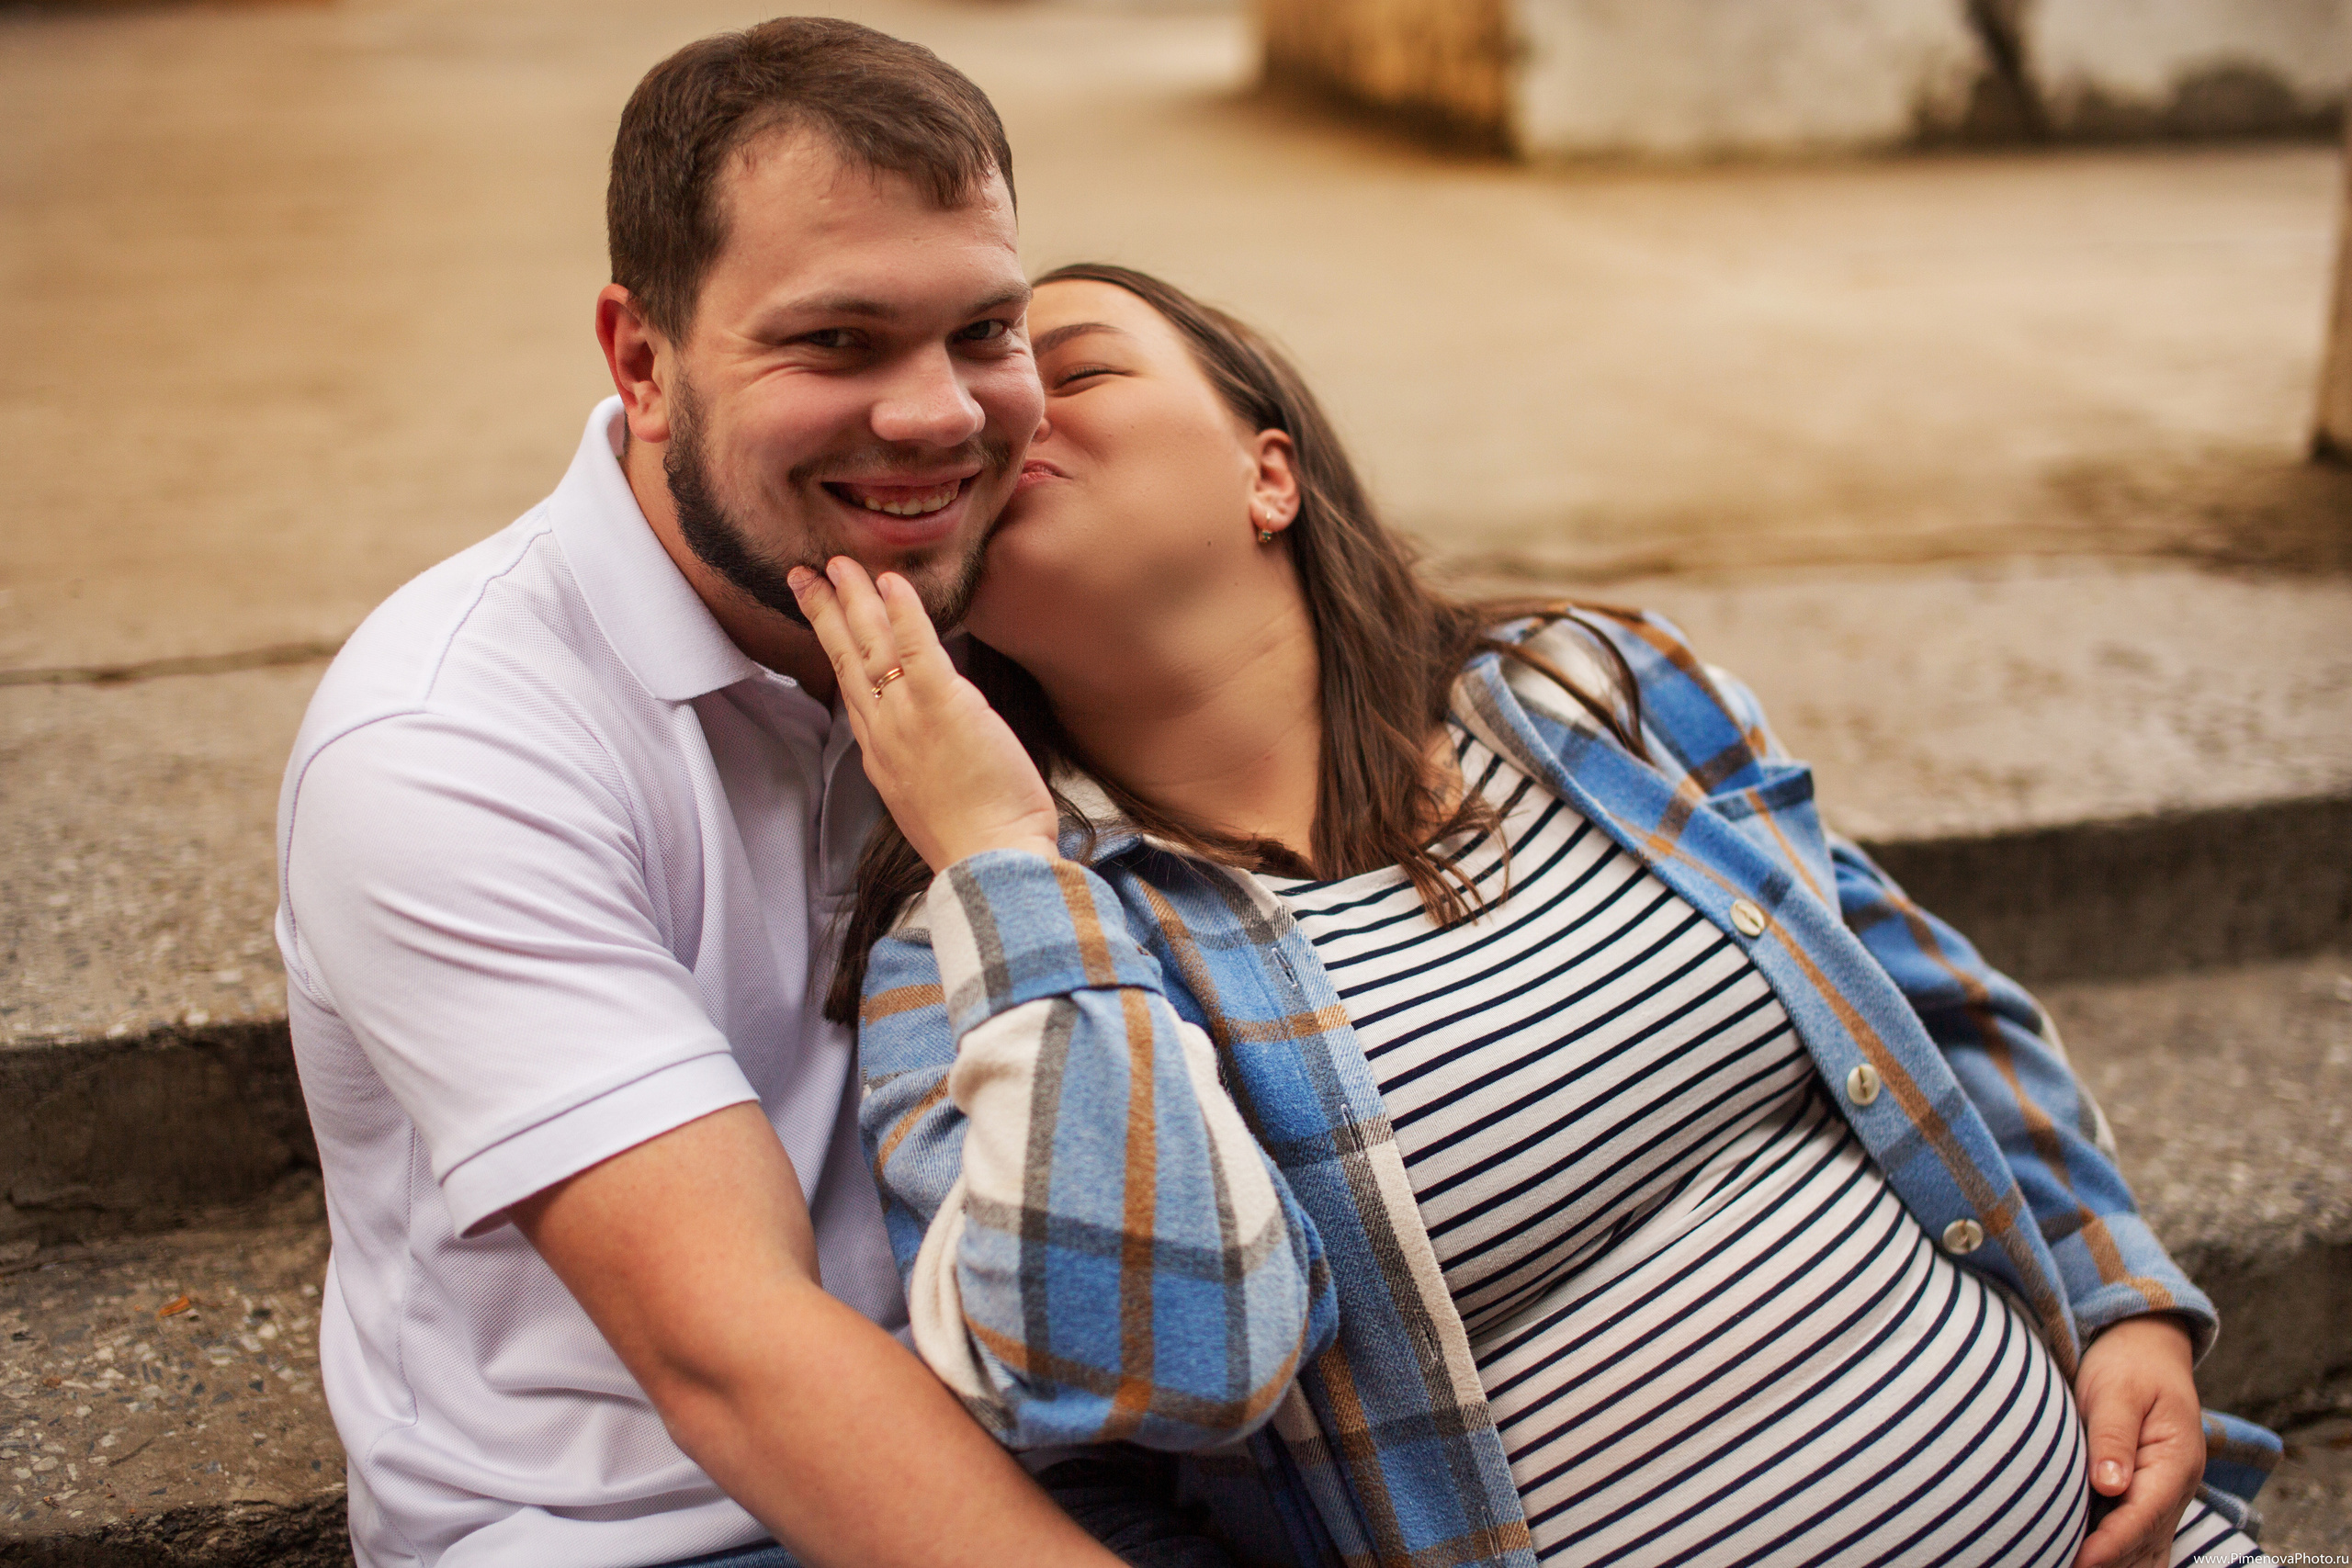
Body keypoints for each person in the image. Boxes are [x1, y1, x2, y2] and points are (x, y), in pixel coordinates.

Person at [797, 264, 2284, 1568]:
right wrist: (1005, 861)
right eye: (989, 413)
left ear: (1270, 475)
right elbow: (1141, 1373)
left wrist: (2119, 1296)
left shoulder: (1583, 693)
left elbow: (1924, 993)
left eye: (1075, 369)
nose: (1006, 412)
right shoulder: (981, 951)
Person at [273, 21, 1135, 1568]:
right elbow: (732, 1357)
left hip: (1060, 1441)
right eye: (839, 343)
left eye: (984, 331)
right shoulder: (448, 737)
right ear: (641, 359)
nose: (939, 414)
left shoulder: (1006, 601)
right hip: (659, 1534)